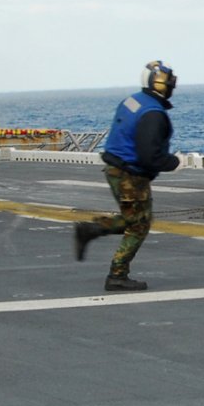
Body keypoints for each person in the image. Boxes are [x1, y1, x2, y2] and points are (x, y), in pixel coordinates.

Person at [73, 61, 181, 292]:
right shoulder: (153, 113)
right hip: (130, 174)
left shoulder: (132, 100)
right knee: (139, 226)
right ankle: (117, 275)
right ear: (160, 83)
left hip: (114, 167)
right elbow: (148, 156)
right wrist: (173, 162)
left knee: (134, 220)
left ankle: (91, 230)